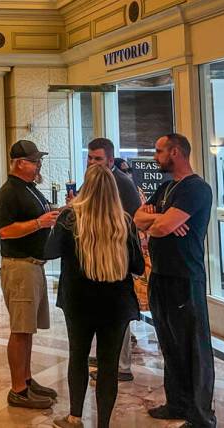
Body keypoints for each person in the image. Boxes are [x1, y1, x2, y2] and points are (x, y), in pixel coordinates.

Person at [45, 165, 144, 428]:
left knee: (77, 356)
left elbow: (49, 251)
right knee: (109, 366)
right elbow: (137, 266)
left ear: (84, 189)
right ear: (114, 190)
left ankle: (75, 417)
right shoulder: (124, 221)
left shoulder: (70, 218)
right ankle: (103, 424)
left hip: (79, 302)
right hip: (116, 304)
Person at [134, 134, 215, 427]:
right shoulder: (167, 187)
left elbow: (159, 227)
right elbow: (137, 219)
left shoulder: (196, 189)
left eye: (159, 151)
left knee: (193, 345)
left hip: (185, 277)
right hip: (161, 274)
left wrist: (162, 222)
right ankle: (177, 402)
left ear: (176, 152)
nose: (155, 156)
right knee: (169, 342)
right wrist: (161, 221)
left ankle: (200, 414)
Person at [0, 139, 60, 409]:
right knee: (20, 330)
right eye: (34, 161)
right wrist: (38, 223)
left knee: (28, 329)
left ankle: (28, 379)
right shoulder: (8, 193)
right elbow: (5, 231)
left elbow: (42, 217)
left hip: (33, 265)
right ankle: (18, 390)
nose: (38, 165)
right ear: (20, 163)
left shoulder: (30, 189)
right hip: (19, 266)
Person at [82, 138, 142, 382]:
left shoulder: (122, 183)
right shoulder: (92, 180)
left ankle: (122, 365)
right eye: (90, 158)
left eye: (98, 159)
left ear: (109, 159)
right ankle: (108, 356)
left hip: (117, 258)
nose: (92, 163)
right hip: (97, 257)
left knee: (119, 314)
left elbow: (134, 218)